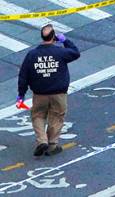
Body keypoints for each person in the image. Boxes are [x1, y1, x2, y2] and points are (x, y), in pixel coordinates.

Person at [17, 25, 80, 157]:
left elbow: (23, 76)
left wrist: (21, 95)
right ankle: (52, 145)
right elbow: (75, 53)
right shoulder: (60, 52)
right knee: (56, 117)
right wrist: (65, 40)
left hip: (39, 94)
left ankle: (42, 141)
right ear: (54, 37)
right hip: (59, 93)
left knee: (38, 116)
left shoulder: (32, 55)